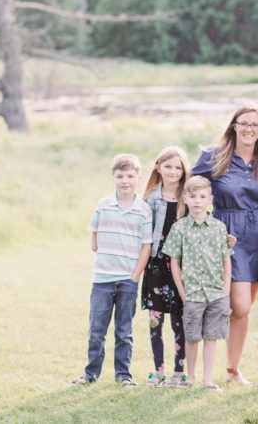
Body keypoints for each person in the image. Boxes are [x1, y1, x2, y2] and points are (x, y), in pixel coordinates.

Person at [191, 102, 258, 386]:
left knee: (243, 307)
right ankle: (203, 362)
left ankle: (232, 370)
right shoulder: (214, 156)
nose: (249, 128)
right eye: (244, 123)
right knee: (240, 306)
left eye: (255, 124)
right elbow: (191, 188)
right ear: (234, 126)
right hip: (227, 235)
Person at [72, 153, 152, 387]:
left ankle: (123, 375)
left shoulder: (143, 210)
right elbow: (94, 239)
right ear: (113, 178)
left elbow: (146, 246)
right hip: (103, 279)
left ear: (138, 178)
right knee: (97, 329)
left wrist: (135, 275)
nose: (124, 180)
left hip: (128, 279)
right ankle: (90, 374)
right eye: (119, 176)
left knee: (124, 331)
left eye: (129, 176)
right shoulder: (103, 205)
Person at [163, 175, 233, 391]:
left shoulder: (219, 228)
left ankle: (207, 380)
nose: (197, 201)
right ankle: (191, 377)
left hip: (216, 294)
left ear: (210, 199)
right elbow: (175, 262)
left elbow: (226, 260)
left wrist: (226, 291)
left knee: (211, 337)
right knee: (192, 337)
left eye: (202, 197)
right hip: (192, 293)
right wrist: (183, 294)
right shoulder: (180, 228)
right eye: (192, 196)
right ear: (185, 198)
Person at [139, 146, 189, 387]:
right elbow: (141, 233)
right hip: (156, 268)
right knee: (155, 321)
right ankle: (158, 370)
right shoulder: (150, 199)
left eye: (178, 167)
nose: (173, 171)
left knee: (179, 321)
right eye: (168, 166)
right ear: (158, 168)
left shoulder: (188, 197)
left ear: (184, 170)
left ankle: (179, 371)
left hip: (180, 268)